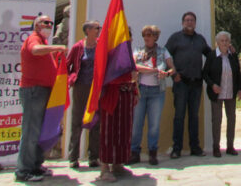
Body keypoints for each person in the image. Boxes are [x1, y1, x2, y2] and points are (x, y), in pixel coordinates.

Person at [16, 15, 66, 182]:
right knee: (31, 131)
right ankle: (24, 171)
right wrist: (55, 47)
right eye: (45, 23)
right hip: (33, 90)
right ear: (36, 25)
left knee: (44, 131)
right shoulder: (34, 39)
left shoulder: (43, 41)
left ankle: (36, 164)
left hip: (44, 91)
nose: (49, 25)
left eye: (51, 23)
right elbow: (35, 50)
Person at [165, 11, 212, 158]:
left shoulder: (200, 40)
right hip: (181, 83)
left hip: (196, 84)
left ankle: (195, 148)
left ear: (195, 23)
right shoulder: (175, 38)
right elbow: (165, 56)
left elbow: (210, 55)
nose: (189, 22)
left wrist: (227, 49)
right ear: (182, 22)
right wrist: (173, 74)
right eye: (187, 20)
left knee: (194, 116)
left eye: (192, 20)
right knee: (179, 116)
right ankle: (176, 149)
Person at [131, 25, 175, 166]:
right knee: (137, 123)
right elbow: (134, 66)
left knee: (154, 124)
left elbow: (172, 68)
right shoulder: (138, 51)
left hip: (157, 91)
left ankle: (152, 152)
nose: (146, 38)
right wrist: (154, 70)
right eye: (145, 36)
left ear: (155, 37)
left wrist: (166, 73)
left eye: (149, 35)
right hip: (141, 90)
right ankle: (134, 152)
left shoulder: (163, 51)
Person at [98, 50, 138, 182]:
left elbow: (133, 74)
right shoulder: (109, 54)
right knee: (109, 132)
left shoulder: (128, 55)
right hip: (112, 95)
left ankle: (118, 164)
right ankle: (104, 168)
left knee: (123, 130)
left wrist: (135, 91)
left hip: (126, 95)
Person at [66, 20, 101, 169]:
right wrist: (70, 79)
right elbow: (68, 65)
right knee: (77, 121)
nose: (99, 30)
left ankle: (93, 157)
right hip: (81, 87)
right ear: (87, 30)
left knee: (95, 122)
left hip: (96, 88)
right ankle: (73, 157)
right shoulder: (78, 47)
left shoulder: (101, 45)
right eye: (96, 28)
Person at [203, 31, 241, 157]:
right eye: (222, 41)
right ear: (217, 43)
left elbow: (238, 74)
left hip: (230, 92)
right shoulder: (212, 56)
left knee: (232, 119)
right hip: (217, 93)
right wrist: (212, 85)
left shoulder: (232, 56)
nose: (225, 43)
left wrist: (240, 89)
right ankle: (216, 147)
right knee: (217, 120)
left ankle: (230, 146)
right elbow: (205, 73)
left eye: (226, 40)